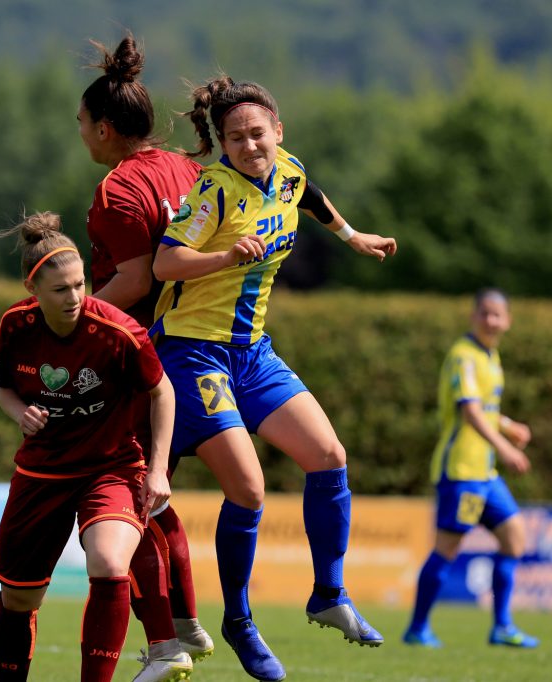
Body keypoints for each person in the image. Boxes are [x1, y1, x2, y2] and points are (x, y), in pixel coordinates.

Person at [150, 75, 397, 681]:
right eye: (236, 137)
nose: (249, 144)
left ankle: (328, 594)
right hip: (193, 352)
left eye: (257, 133)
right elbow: (164, 262)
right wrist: (224, 256)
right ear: (224, 146)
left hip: (252, 352)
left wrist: (350, 235)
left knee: (329, 454)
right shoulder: (214, 191)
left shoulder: (287, 169)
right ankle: (238, 621)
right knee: (251, 490)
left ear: (277, 132)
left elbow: (308, 194)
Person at [0, 212, 175, 682]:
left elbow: (162, 391)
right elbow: (4, 389)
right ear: (33, 291)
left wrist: (157, 470)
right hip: (42, 473)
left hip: (111, 468)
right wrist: (20, 414)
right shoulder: (15, 325)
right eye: (60, 289)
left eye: (80, 284)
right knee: (19, 599)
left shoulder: (118, 331)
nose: (74, 297)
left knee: (110, 563)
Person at [78, 32, 212, 681]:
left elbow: (131, 278)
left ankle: (165, 645)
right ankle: (182, 621)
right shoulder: (184, 168)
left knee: (119, 504)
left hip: (136, 357)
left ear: (105, 128)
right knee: (153, 495)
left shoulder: (117, 189)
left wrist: (76, 323)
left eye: (81, 122)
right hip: (192, 349)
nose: (79, 133)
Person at [403, 288, 539, 649]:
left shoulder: (490, 356)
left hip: (486, 474)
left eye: (498, 314)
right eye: (485, 313)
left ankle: (502, 627)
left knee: (514, 538)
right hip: (462, 471)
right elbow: (471, 411)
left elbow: (487, 409)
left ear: (507, 321)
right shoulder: (464, 356)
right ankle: (417, 628)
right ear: (473, 316)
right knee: (447, 548)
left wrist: (509, 426)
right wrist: (506, 447)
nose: (491, 320)